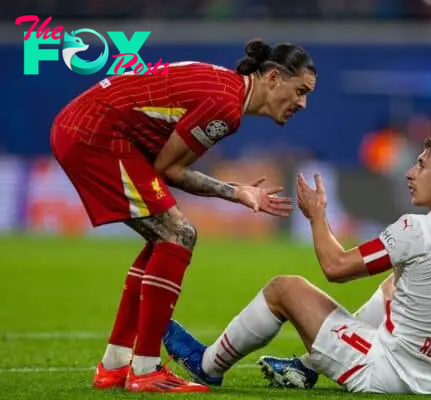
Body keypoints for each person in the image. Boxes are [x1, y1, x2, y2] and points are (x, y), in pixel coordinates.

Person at [50, 38, 317, 393]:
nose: (303, 103)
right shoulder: (225, 106)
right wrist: (236, 192)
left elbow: (164, 163)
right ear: (271, 77)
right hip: (95, 135)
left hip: (88, 128)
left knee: (165, 237)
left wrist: (236, 191)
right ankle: (145, 369)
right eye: (299, 90)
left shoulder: (224, 87)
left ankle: (116, 364)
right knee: (179, 233)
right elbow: (170, 169)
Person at [162, 135, 431, 394]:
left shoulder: (417, 229)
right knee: (397, 280)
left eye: (421, 164)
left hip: (391, 374)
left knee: (286, 288)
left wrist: (316, 216)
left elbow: (336, 267)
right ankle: (306, 366)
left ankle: (208, 365)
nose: (409, 173)